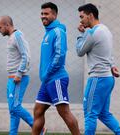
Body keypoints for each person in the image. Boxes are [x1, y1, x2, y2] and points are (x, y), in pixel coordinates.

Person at [75, 3, 120, 135]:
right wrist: (112, 65)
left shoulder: (91, 32)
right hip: (108, 78)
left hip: (97, 79)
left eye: (82, 17)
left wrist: (81, 34)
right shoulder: (105, 30)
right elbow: (108, 53)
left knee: (90, 114)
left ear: (90, 15)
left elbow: (80, 51)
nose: (80, 20)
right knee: (103, 113)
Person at [32, 2, 80, 135]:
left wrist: (47, 73)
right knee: (38, 111)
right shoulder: (48, 33)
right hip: (47, 80)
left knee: (64, 112)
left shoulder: (58, 31)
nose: (43, 16)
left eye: (46, 13)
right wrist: (46, 76)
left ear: (54, 14)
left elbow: (60, 55)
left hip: (56, 78)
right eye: (42, 14)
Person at [0, 16, 47, 135]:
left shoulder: (18, 36)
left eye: (0, 27)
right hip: (11, 78)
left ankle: (38, 128)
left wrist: (19, 73)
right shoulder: (11, 37)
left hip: (18, 78)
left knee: (15, 107)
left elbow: (26, 55)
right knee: (13, 110)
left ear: (7, 25)